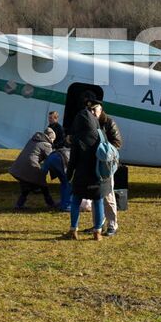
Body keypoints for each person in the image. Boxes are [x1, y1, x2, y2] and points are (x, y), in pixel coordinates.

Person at [63, 97, 105, 241]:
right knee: (98, 201)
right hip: (97, 173)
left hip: (81, 174)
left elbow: (72, 160)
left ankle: (73, 230)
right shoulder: (100, 133)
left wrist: (68, 176)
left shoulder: (77, 138)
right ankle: (97, 232)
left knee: (75, 201)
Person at [9, 128, 57, 209]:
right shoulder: (46, 145)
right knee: (43, 184)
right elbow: (51, 159)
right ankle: (51, 204)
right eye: (53, 139)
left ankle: (19, 204)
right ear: (50, 138)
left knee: (26, 185)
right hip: (30, 166)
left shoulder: (32, 140)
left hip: (18, 166)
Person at [98, 108, 123, 237]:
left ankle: (112, 224)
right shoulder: (91, 122)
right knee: (96, 195)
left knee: (108, 194)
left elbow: (117, 142)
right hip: (94, 163)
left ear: (100, 110)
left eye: (94, 109)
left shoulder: (109, 122)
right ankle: (98, 224)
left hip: (106, 164)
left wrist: (105, 150)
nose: (92, 111)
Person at [42, 145, 73, 211]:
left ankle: (63, 203)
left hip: (51, 157)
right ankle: (67, 206)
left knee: (64, 182)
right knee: (69, 183)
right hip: (60, 159)